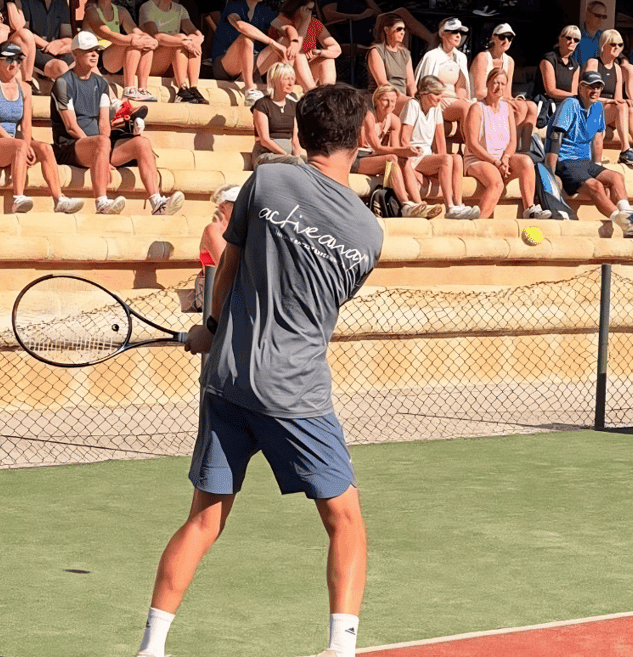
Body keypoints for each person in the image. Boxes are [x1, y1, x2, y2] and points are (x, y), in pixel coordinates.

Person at [137, 83, 383, 657]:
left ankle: (152, 648)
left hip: (226, 378)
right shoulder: (369, 235)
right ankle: (340, 649)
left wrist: (211, 326)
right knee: (345, 519)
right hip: (295, 391)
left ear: (301, 133)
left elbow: (229, 260)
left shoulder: (268, 179)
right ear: (357, 140)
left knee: (203, 519)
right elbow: (315, 305)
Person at [50, 31, 184, 215]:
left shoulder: (101, 83)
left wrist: (102, 153)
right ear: (75, 54)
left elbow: (105, 124)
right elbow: (71, 127)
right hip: (70, 146)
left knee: (142, 143)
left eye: (96, 50)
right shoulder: (63, 83)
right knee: (102, 141)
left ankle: (157, 202)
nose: (95, 54)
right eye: (89, 50)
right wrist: (101, 151)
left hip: (97, 145)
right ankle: (102, 203)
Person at [0, 41, 84, 215]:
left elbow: (26, 125)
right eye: (9, 60)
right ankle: (18, 198)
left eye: (18, 60)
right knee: (21, 146)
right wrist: (22, 147)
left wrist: (26, 146)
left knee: (45, 148)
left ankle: (59, 198)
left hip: (13, 142)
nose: (14, 65)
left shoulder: (25, 88)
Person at [547, 71, 633, 237]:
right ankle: (625, 224)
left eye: (598, 87)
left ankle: (628, 213)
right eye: (591, 86)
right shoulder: (570, 104)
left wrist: (597, 166)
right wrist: (551, 169)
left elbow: (598, 138)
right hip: (566, 161)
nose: (595, 90)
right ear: (581, 87)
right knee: (596, 186)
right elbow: (556, 136)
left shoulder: (598, 107)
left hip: (585, 161)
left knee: (616, 177)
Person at [463, 69, 551, 220]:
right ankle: (478, 222)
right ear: (488, 84)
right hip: (479, 159)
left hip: (501, 159)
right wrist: (495, 162)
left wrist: (505, 158)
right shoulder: (477, 108)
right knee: (496, 183)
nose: (499, 87)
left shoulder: (507, 108)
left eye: (503, 84)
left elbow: (512, 140)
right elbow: (472, 144)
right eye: (496, 83)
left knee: (526, 162)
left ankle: (529, 209)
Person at [399, 76, 477, 219]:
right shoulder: (412, 105)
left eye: (441, 94)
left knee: (457, 159)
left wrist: (443, 165)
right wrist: (442, 161)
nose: (440, 98)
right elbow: (404, 138)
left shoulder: (436, 109)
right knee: (446, 160)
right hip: (414, 157)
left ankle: (458, 204)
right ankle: (450, 207)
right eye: (436, 94)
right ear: (424, 93)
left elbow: (441, 142)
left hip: (427, 156)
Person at [356, 85, 435, 219]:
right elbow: (377, 148)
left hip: (373, 157)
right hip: (358, 157)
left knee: (403, 160)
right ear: (376, 100)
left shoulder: (394, 120)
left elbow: (396, 148)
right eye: (385, 100)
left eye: (393, 101)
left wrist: (407, 152)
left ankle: (419, 204)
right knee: (392, 158)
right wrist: (403, 150)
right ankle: (405, 205)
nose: (389, 105)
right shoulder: (368, 115)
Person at [212, 0, 291, 104]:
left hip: (251, 64)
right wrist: (272, 42)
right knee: (246, 38)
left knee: (286, 41)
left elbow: (287, 28)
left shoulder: (263, 10)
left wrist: (294, 41)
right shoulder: (233, 6)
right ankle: (250, 90)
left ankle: (282, 90)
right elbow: (241, 26)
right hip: (225, 65)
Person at [82, 0, 159, 102]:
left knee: (144, 44)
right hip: (98, 55)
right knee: (133, 43)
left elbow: (136, 32)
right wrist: (132, 40)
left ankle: (142, 89)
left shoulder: (121, 11)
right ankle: (129, 89)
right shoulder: (91, 10)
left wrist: (151, 40)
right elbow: (106, 34)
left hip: (115, 54)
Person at [139, 0, 208, 104]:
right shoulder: (148, 7)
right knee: (180, 39)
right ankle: (182, 88)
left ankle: (192, 87)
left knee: (190, 39)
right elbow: (156, 36)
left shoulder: (180, 9)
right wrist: (183, 41)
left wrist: (197, 39)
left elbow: (194, 31)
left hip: (173, 61)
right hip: (151, 60)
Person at [469, 22, 538, 146]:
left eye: (509, 38)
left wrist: (514, 100)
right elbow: (479, 92)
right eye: (502, 37)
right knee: (521, 108)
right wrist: (506, 100)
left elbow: (507, 93)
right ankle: (512, 146)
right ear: (494, 38)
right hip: (481, 100)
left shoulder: (509, 61)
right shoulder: (483, 57)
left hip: (497, 98)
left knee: (532, 107)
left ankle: (525, 149)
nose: (506, 40)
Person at [593, 29, 633, 164]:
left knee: (630, 108)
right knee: (622, 105)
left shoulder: (617, 68)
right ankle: (625, 149)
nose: (617, 47)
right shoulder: (593, 63)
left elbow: (617, 97)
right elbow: (588, 96)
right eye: (613, 44)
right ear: (603, 45)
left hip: (609, 109)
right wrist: (610, 100)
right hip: (594, 107)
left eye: (620, 44)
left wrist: (625, 102)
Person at [15, 0, 73, 82]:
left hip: (57, 50)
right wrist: (49, 46)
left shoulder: (60, 0)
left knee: (86, 60)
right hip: (33, 51)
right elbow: (24, 34)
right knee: (60, 67)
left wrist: (58, 44)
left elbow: (67, 37)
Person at [269, 0, 340, 91]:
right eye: (307, 10)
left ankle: (327, 95)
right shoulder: (281, 20)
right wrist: (305, 22)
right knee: (299, 53)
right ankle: (311, 92)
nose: (309, 14)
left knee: (328, 59)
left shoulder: (314, 23)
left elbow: (337, 49)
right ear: (296, 7)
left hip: (306, 70)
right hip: (284, 68)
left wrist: (319, 52)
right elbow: (296, 47)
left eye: (311, 10)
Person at [415, 17, 472, 132]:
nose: (458, 35)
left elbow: (461, 87)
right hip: (438, 100)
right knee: (466, 108)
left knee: (475, 107)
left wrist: (460, 101)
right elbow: (426, 88)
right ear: (442, 34)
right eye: (454, 32)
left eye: (460, 32)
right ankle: (471, 147)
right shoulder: (432, 56)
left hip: (454, 100)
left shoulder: (461, 58)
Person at [250, 63, 302, 168]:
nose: (291, 83)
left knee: (314, 164)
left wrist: (297, 157)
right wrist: (287, 156)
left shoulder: (294, 105)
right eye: (287, 79)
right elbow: (264, 140)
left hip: (289, 157)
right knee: (297, 163)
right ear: (274, 81)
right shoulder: (262, 104)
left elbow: (295, 140)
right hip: (266, 155)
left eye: (293, 79)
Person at [366, 12, 416, 113]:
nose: (403, 32)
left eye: (404, 29)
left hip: (403, 98)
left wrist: (414, 97)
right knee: (414, 106)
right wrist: (402, 97)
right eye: (399, 29)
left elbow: (411, 83)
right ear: (386, 30)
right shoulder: (376, 51)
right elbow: (383, 83)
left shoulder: (405, 53)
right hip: (385, 96)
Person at [533, 25, 581, 126]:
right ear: (560, 38)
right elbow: (551, 91)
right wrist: (575, 97)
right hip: (548, 103)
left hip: (565, 104)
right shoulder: (549, 59)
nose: (572, 41)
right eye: (568, 37)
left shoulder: (575, 64)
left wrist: (576, 97)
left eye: (576, 40)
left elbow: (573, 92)